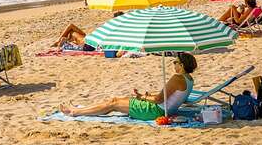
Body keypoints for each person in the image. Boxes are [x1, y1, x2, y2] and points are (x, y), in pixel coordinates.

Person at [58, 52, 197, 121]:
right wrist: (145, 96)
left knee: (113, 102)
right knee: (117, 101)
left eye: (175, 62)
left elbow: (158, 100)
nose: (173, 64)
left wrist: (142, 97)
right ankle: (80, 109)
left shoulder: (177, 78)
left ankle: (74, 112)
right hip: (164, 110)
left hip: (155, 111)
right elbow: (170, 96)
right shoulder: (189, 79)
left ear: (182, 66)